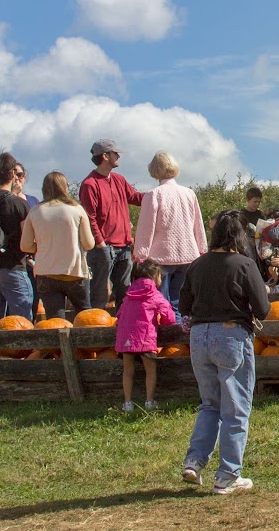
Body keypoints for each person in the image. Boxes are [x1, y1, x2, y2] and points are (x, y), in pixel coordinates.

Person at [180, 210, 270, 495]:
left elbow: (184, 304)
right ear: (239, 236)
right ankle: (228, 475)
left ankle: (194, 460)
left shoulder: (196, 265)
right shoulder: (243, 264)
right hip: (230, 335)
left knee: (210, 403)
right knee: (236, 406)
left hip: (198, 337)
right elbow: (263, 308)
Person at [132, 152, 207, 315]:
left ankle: (167, 337)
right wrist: (201, 248)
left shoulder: (153, 194)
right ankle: (179, 335)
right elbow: (198, 224)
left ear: (153, 170)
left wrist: (140, 254)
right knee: (180, 302)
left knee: (162, 304)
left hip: (161, 255)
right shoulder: (189, 193)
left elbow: (146, 227)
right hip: (188, 254)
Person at [20, 171, 96, 317]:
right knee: (85, 317)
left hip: (46, 274)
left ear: (44, 188)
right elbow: (88, 244)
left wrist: (42, 245)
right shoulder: (76, 209)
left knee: (55, 321)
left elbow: (25, 246)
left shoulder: (35, 211)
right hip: (74, 272)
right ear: (65, 187)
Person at [80, 139, 144, 309]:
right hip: (104, 248)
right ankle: (95, 330)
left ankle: (122, 328)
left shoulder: (119, 179)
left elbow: (135, 198)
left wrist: (159, 195)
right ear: (105, 156)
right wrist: (100, 243)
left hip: (124, 247)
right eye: (115, 153)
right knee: (99, 294)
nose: (118, 156)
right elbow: (89, 217)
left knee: (124, 292)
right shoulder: (89, 184)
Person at [0, 151, 33, 320]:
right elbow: (28, 240)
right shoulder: (19, 203)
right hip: (13, 266)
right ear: (12, 174)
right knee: (21, 322)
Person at [115, 260, 176, 412]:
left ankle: (127, 403)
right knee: (150, 370)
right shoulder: (154, 294)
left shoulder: (128, 295)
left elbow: (119, 315)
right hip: (145, 338)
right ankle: (149, 401)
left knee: (128, 371)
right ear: (155, 277)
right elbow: (169, 316)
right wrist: (165, 322)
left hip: (126, 339)